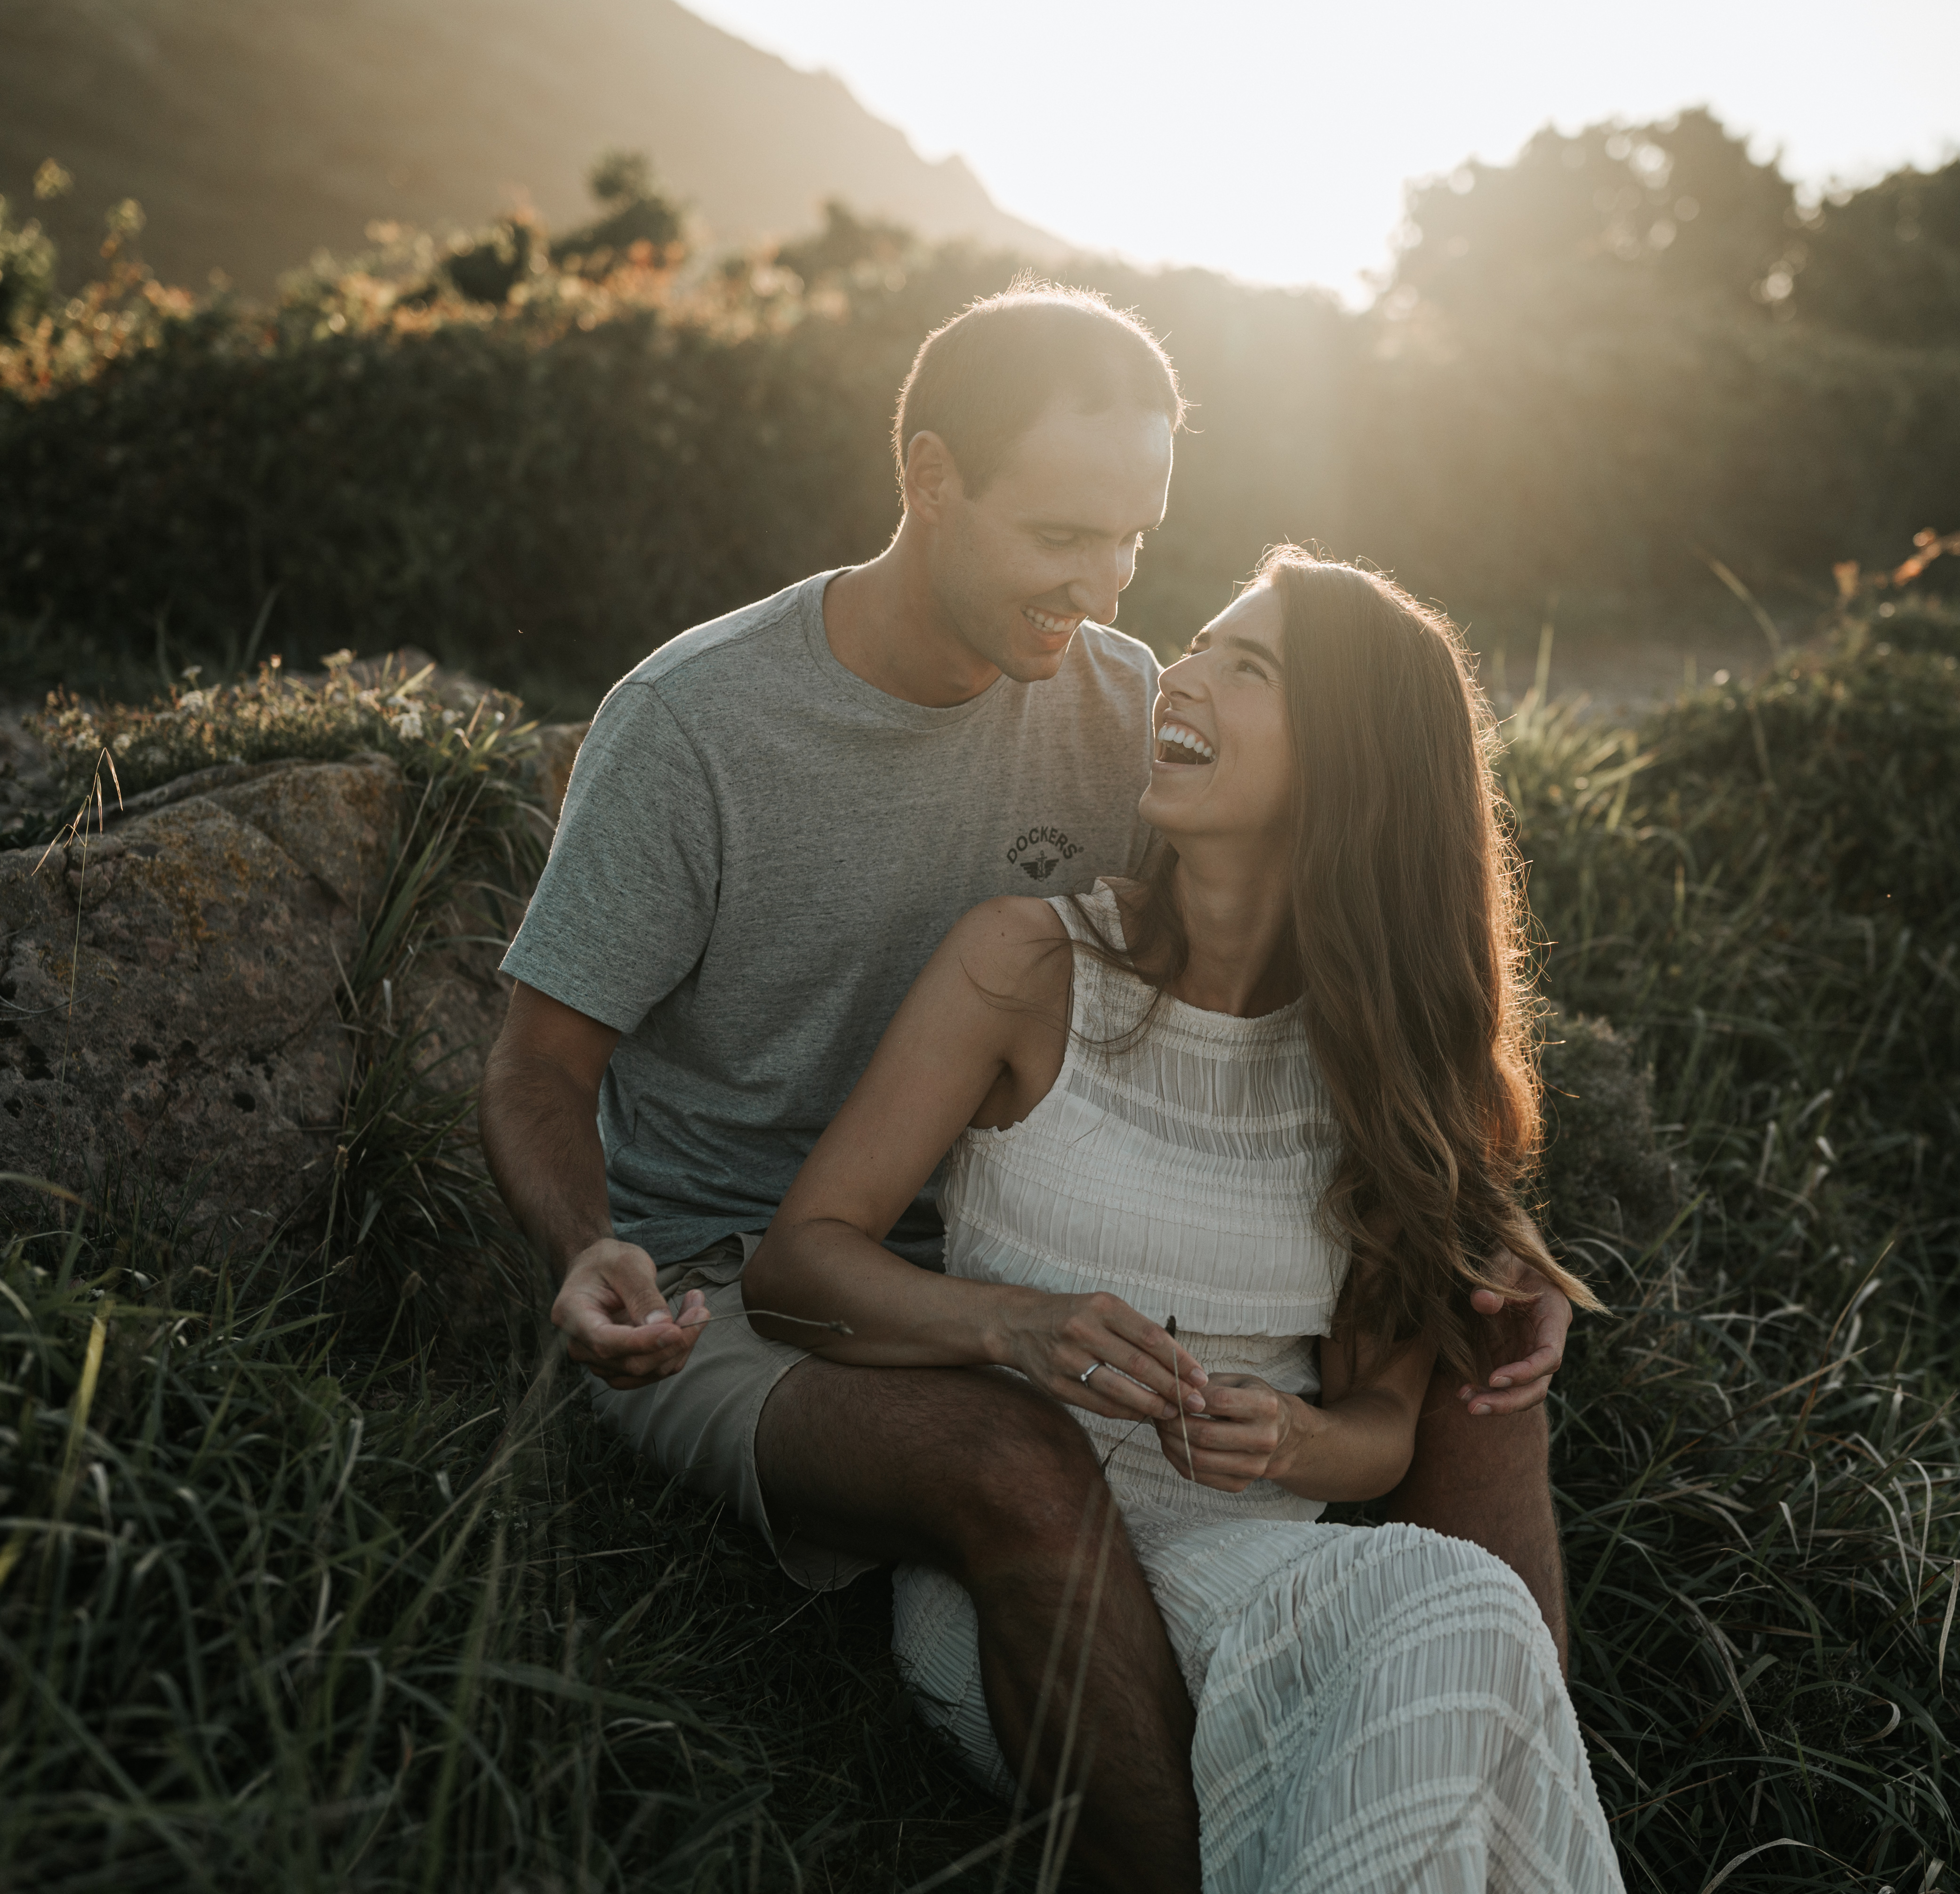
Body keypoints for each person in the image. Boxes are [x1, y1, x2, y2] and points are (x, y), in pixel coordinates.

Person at [479, 283, 1584, 1894]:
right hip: (733, 1288)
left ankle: (1506, 1818)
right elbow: (536, 1062)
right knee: (1011, 1455)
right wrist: (588, 1248)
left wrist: (1489, 1238)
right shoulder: (696, 725)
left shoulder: (1131, 707)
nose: (1104, 585)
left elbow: (1325, 922)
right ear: (931, 480)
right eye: (1064, 533)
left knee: (1486, 1375)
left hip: (1013, 1228)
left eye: (1136, 539)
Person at [744, 547, 1623, 1891]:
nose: (1183, 676)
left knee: (1456, 1623)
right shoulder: (1028, 962)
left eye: (1248, 667)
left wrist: (1294, 1436)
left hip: (1258, 1588)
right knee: (1461, 1640)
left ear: (1350, 764)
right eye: (1199, 644)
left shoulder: (1377, 1069)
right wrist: (1012, 1330)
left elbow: (1384, 1436)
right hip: (1019, 1599)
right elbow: (798, 1269)